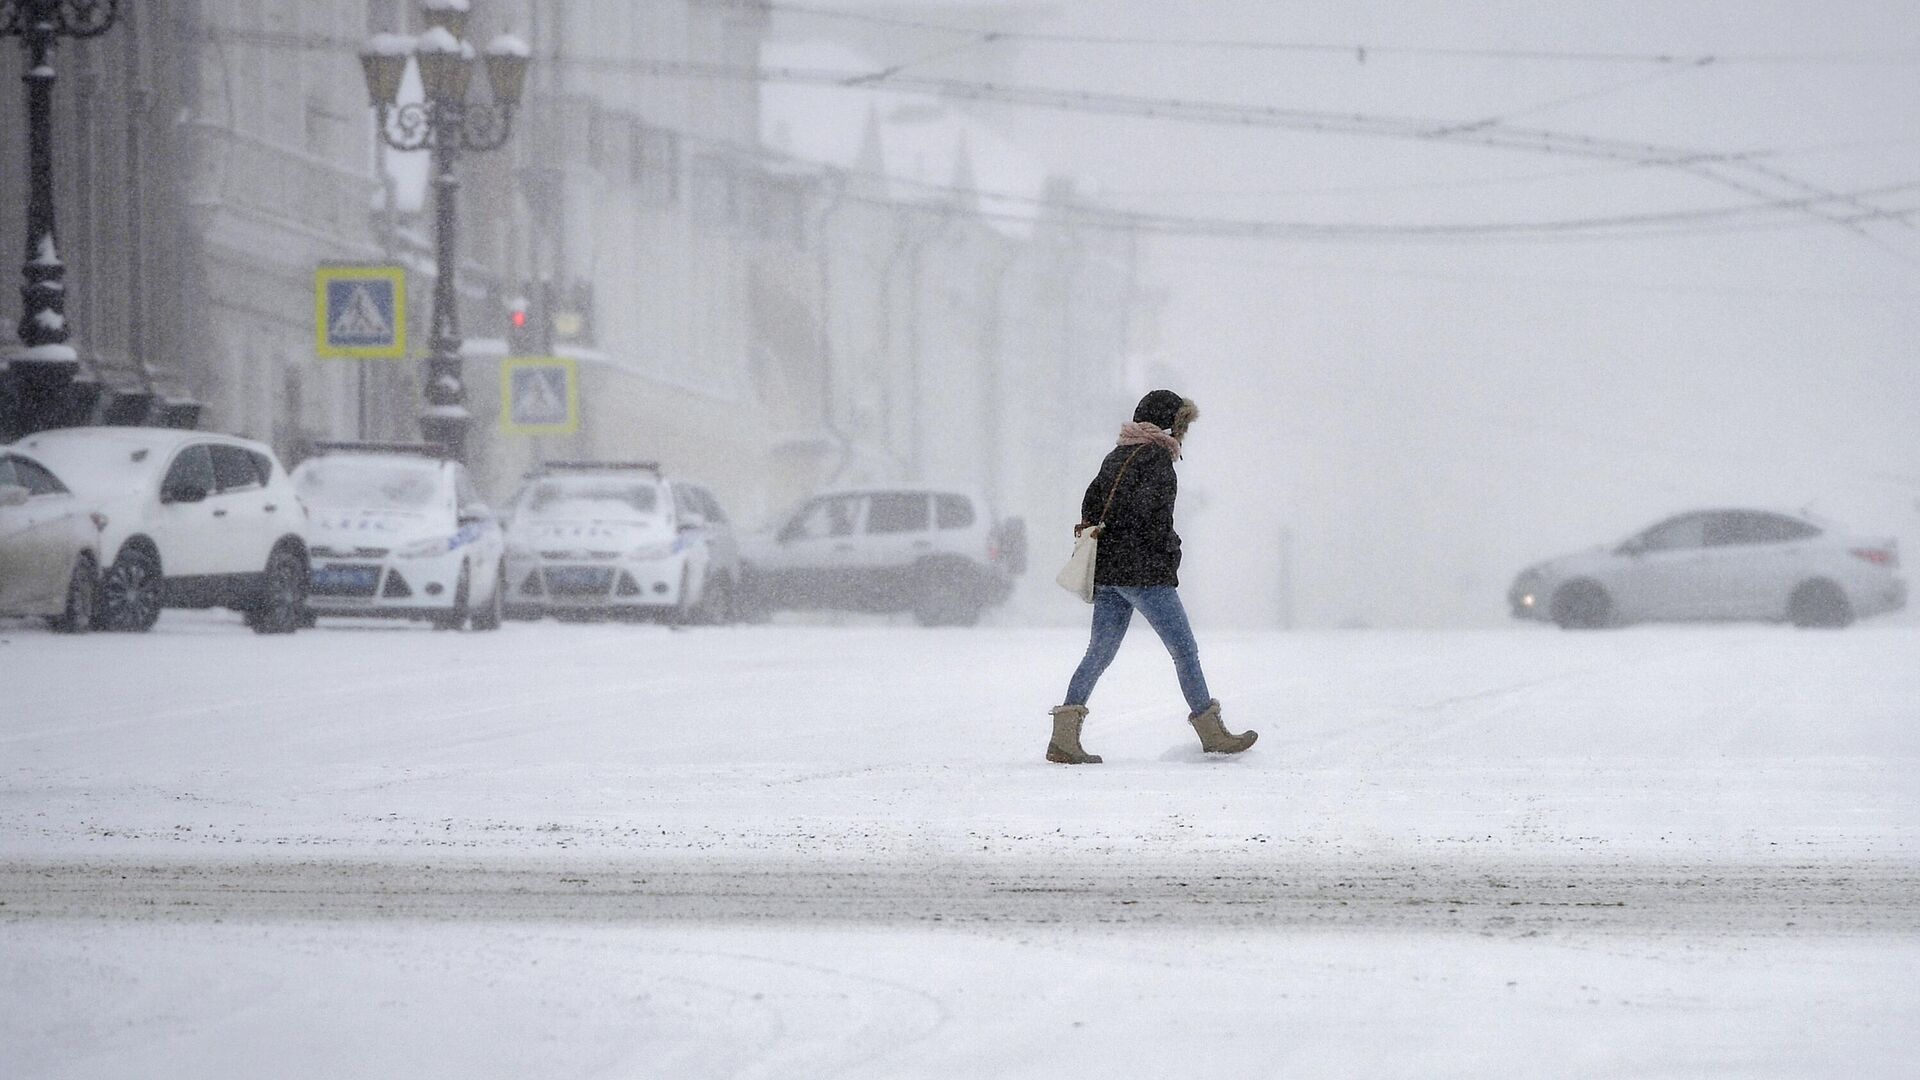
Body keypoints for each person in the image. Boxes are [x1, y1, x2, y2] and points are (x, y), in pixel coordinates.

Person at [1047, 389, 1257, 764]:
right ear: (1170, 423)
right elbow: (1153, 518)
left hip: (1109, 573)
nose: (1183, 434)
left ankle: (1064, 738)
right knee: (1184, 650)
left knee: (1098, 653)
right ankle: (1213, 735)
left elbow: (1090, 503)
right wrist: (1171, 551)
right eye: (1182, 425)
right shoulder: (1158, 459)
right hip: (1143, 573)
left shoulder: (1117, 455)